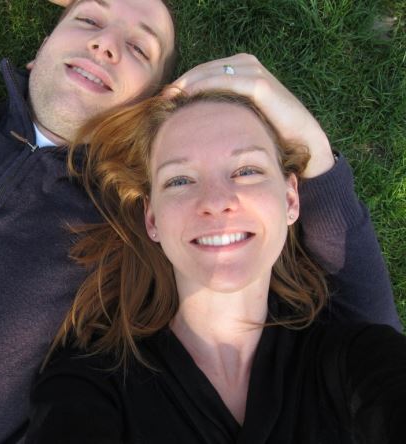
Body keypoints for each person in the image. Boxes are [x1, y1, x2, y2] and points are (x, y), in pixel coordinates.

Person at [0, 0, 400, 442]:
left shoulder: (128, 226)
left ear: (150, 106)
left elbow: (354, 315)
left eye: (140, 49)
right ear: (41, 47)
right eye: (89, 20)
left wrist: (309, 145)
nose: (105, 44)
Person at [25, 90, 406, 443]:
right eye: (180, 180)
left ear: (291, 198)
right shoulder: (90, 381)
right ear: (152, 219)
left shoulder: (357, 359)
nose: (216, 201)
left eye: (247, 171)